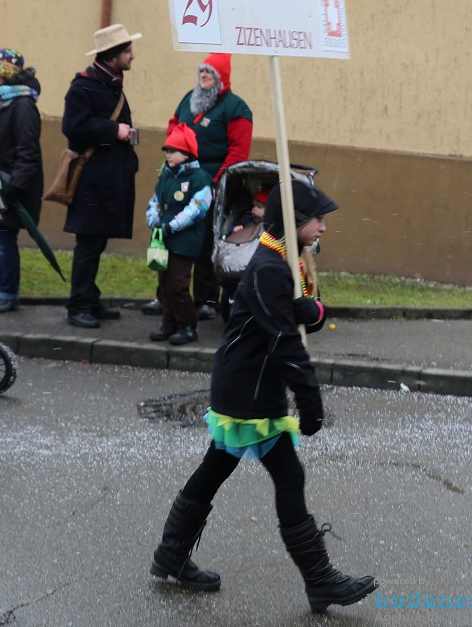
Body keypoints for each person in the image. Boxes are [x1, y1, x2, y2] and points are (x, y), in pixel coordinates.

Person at [148, 179, 377, 614]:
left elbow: (283, 316)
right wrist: (311, 404)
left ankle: (171, 554)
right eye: (318, 220)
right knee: (287, 477)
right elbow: (284, 344)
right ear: (294, 222)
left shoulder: (278, 261)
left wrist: (311, 311)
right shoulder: (272, 266)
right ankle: (320, 580)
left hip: (244, 383)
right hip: (250, 391)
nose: (324, 228)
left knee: (216, 466)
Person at [147, 54, 253, 321]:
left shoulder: (236, 108)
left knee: (206, 241)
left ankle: (206, 300)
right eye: (202, 72)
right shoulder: (188, 99)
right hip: (178, 179)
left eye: (210, 73)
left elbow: (239, 152)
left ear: (222, 79)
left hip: (212, 185)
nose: (204, 76)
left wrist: (218, 183)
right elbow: (173, 127)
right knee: (171, 238)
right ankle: (166, 295)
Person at [61, 23, 142, 328]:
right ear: (113, 55)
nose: (132, 56)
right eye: (128, 51)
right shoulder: (83, 88)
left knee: (95, 243)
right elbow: (73, 129)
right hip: (92, 183)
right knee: (88, 244)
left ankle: (89, 299)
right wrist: (113, 130)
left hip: (108, 180)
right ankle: (78, 305)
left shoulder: (110, 84)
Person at [0, 48, 43, 313]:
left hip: (12, 186)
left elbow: (27, 150)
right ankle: (2, 287)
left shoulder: (23, 105)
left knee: (4, 238)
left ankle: (8, 292)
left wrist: (15, 187)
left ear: (5, 74)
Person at [145, 123, 212, 344]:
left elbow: (196, 209)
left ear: (187, 153)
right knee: (164, 283)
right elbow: (155, 201)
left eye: (173, 151)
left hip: (185, 240)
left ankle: (188, 327)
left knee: (178, 284)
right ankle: (169, 324)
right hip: (163, 238)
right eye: (167, 151)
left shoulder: (199, 178)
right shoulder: (166, 175)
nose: (169, 155)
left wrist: (171, 225)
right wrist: (153, 218)